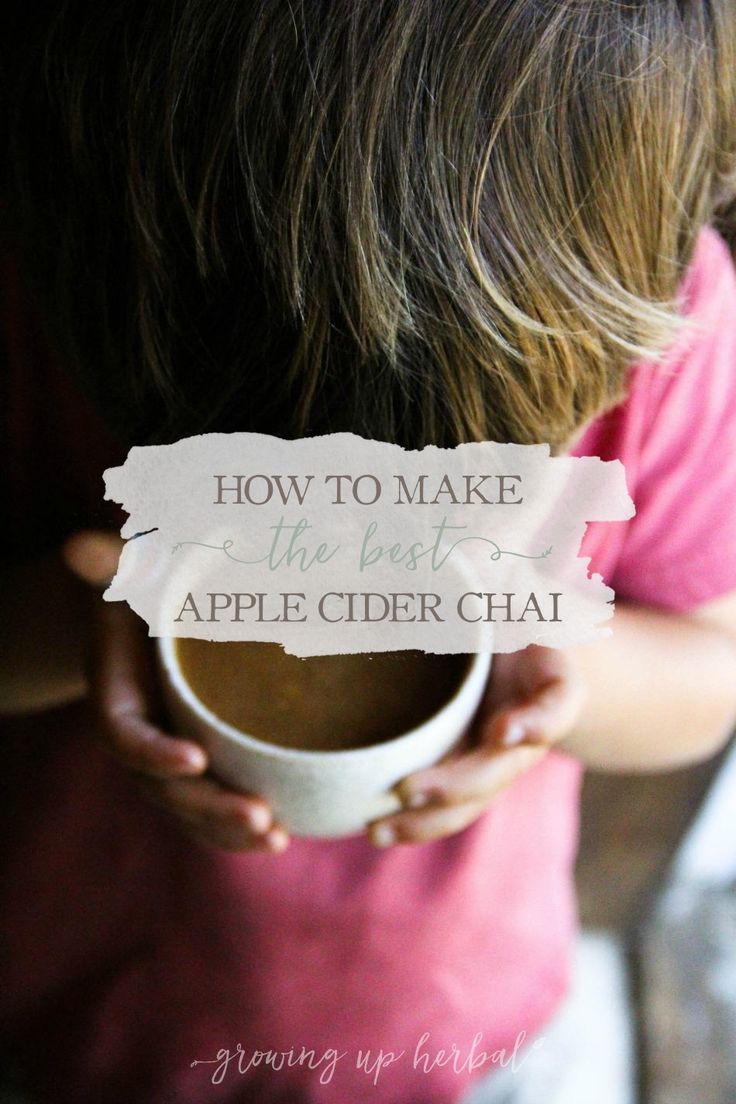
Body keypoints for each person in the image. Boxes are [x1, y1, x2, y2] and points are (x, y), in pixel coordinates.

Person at [2, 2, 736, 1102]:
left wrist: (554, 660)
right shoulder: (37, 288)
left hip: (448, 1018)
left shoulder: (665, 338)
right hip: (71, 997)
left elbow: (710, 675)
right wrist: (82, 623)